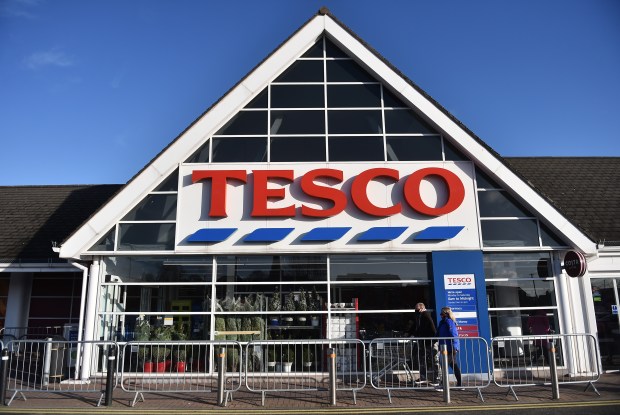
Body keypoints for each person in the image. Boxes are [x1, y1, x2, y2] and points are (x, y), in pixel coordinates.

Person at [408, 303, 437, 384]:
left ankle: (436, 378)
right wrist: (410, 334)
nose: (416, 311)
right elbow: (416, 327)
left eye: (417, 309)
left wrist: (434, 340)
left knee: (431, 360)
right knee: (421, 359)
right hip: (422, 341)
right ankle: (423, 377)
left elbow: (432, 328)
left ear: (421, 308)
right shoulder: (418, 316)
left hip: (427, 342)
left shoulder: (426, 315)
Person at [436, 306, 462, 387]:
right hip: (444, 347)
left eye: (442, 313)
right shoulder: (442, 323)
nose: (440, 315)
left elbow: (454, 334)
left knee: (444, 365)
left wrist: (455, 347)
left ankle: (443, 384)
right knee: (453, 365)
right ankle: (460, 384)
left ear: (446, 314)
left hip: (450, 348)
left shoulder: (449, 322)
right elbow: (438, 333)